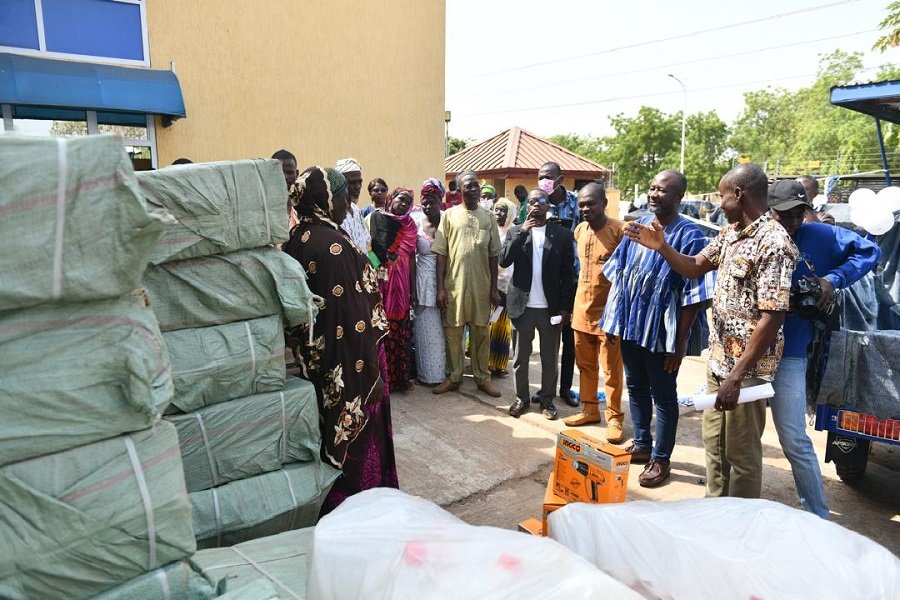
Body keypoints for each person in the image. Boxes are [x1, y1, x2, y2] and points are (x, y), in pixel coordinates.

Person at [627, 163, 799, 499]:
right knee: (715, 447)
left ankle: (738, 526)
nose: (719, 203)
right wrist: (661, 246)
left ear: (738, 194)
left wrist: (737, 376)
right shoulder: (730, 233)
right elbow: (692, 268)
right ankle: (714, 512)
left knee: (742, 455)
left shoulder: (774, 242)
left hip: (746, 373)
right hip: (718, 363)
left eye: (722, 195)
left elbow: (772, 317)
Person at [282, 166, 398, 514]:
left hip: (321, 362)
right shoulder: (332, 246)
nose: (348, 202)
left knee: (328, 432)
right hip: (351, 365)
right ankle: (363, 509)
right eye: (342, 195)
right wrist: (372, 373)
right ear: (325, 199)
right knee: (360, 440)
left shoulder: (298, 238)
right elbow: (352, 320)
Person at [767, 179, 880, 518]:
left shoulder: (819, 235)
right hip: (746, 356)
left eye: (798, 213)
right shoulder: (758, 236)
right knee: (737, 443)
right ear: (769, 210)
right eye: (783, 214)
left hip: (791, 353)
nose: (791, 222)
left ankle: (817, 516)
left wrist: (833, 279)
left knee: (794, 440)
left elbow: (870, 251)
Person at [600, 170, 715, 486]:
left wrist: (680, 344)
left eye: (662, 190)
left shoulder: (690, 235)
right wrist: (613, 322)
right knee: (635, 386)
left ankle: (661, 460)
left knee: (663, 396)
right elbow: (620, 277)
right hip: (632, 326)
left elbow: (693, 297)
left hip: (663, 333)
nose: (653, 194)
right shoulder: (634, 228)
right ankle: (641, 443)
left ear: (678, 197)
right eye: (651, 188)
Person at [502, 189, 576, 420]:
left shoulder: (561, 235)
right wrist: (522, 232)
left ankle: (546, 400)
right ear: (526, 206)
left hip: (549, 309)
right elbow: (505, 260)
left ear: (548, 206)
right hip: (522, 307)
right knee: (520, 359)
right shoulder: (515, 231)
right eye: (532, 201)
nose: (536, 205)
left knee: (549, 359)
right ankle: (521, 399)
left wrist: (565, 308)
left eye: (541, 201)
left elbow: (568, 274)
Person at [563, 183, 626, 444]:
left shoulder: (619, 231)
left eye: (591, 203)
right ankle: (589, 410)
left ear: (604, 203)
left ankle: (614, 417)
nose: (586, 209)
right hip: (581, 312)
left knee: (611, 370)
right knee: (585, 365)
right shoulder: (579, 231)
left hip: (608, 316)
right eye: (581, 205)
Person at [432, 170, 503, 398]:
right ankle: (454, 377)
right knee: (453, 332)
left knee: (481, 331)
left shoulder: (488, 216)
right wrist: (441, 288)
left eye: (475, 185)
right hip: (455, 285)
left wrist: (493, 288)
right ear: (459, 189)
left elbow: (494, 255)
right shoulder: (449, 215)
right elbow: (441, 253)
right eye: (467, 186)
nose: (472, 189)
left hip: (482, 286)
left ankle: (483, 378)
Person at [537, 162, 580, 407]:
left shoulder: (575, 203)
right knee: (548, 339)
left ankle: (566, 388)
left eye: (548, 177)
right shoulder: (536, 203)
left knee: (569, 338)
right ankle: (546, 390)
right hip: (546, 281)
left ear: (560, 179)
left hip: (573, 278)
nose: (544, 182)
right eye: (540, 177)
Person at [369, 188, 418, 392]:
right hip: (383, 280)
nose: (404, 204)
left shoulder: (410, 225)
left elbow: (412, 257)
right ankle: (385, 379)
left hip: (402, 282)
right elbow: (371, 249)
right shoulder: (378, 218)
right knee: (384, 325)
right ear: (391, 199)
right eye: (401, 199)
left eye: (408, 202)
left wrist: (413, 290)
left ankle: (401, 379)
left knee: (402, 327)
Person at [415, 180, 448, 386]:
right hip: (424, 282)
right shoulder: (415, 222)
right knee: (427, 332)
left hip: (448, 280)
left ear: (441, 201)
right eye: (425, 202)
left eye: (433, 202)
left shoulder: (449, 220)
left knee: (450, 332)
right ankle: (429, 376)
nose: (428, 206)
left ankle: (451, 374)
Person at [489, 197, 517, 377]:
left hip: (508, 287)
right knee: (488, 325)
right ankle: (485, 362)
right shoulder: (490, 230)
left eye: (503, 211)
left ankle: (499, 364)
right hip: (491, 284)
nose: (498, 214)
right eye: (496, 210)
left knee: (502, 327)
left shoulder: (515, 231)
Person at [335, 158, 371, 254]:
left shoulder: (356, 210)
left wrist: (377, 266)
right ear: (340, 183)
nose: (358, 186)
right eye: (352, 182)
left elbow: (368, 247)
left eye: (360, 182)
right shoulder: (334, 214)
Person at [272, 149, 300, 230]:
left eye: (290, 172)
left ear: (297, 174)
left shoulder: (302, 208)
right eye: (279, 172)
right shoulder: (262, 208)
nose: (285, 177)